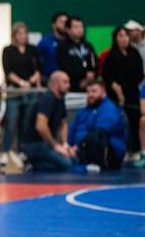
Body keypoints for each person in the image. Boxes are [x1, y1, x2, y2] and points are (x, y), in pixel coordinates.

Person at [1, 22, 42, 165]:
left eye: (24, 33)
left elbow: (38, 68)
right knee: (11, 121)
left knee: (26, 122)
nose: (22, 36)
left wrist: (32, 81)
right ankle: (5, 151)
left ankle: (21, 150)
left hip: (30, 91)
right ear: (14, 35)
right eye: (19, 34)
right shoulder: (8, 50)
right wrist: (21, 83)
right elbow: (8, 71)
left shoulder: (32, 50)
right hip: (14, 91)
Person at [101, 25, 144, 158]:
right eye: (120, 36)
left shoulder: (134, 53)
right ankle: (121, 150)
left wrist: (130, 87)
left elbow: (139, 74)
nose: (124, 39)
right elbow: (107, 75)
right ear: (115, 38)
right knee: (120, 122)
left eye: (126, 35)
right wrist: (116, 88)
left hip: (132, 93)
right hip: (115, 94)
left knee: (135, 122)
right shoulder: (110, 55)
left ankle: (136, 150)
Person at [20, 71, 75, 171]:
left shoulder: (60, 99)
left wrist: (65, 144)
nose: (68, 85)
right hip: (33, 143)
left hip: (45, 143)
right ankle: (31, 165)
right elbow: (41, 126)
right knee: (66, 163)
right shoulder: (47, 98)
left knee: (74, 159)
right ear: (55, 83)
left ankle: (33, 163)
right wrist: (56, 146)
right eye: (65, 82)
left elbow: (63, 124)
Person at [69, 78, 126, 171]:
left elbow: (99, 134)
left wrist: (78, 147)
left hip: (104, 154)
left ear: (103, 92)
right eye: (88, 92)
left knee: (64, 164)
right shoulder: (83, 111)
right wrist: (68, 146)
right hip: (77, 151)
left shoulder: (109, 109)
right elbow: (72, 128)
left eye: (94, 91)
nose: (90, 95)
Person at [57, 16, 97, 92]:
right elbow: (64, 66)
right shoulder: (62, 47)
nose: (80, 30)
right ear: (68, 30)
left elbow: (94, 61)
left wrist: (92, 73)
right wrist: (81, 79)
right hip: (71, 85)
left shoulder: (88, 45)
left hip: (89, 84)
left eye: (81, 27)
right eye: (76, 27)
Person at [38, 12, 69, 83]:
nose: (64, 25)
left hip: (68, 82)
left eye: (66, 22)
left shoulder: (71, 43)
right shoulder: (45, 42)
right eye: (61, 22)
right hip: (48, 81)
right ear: (53, 25)